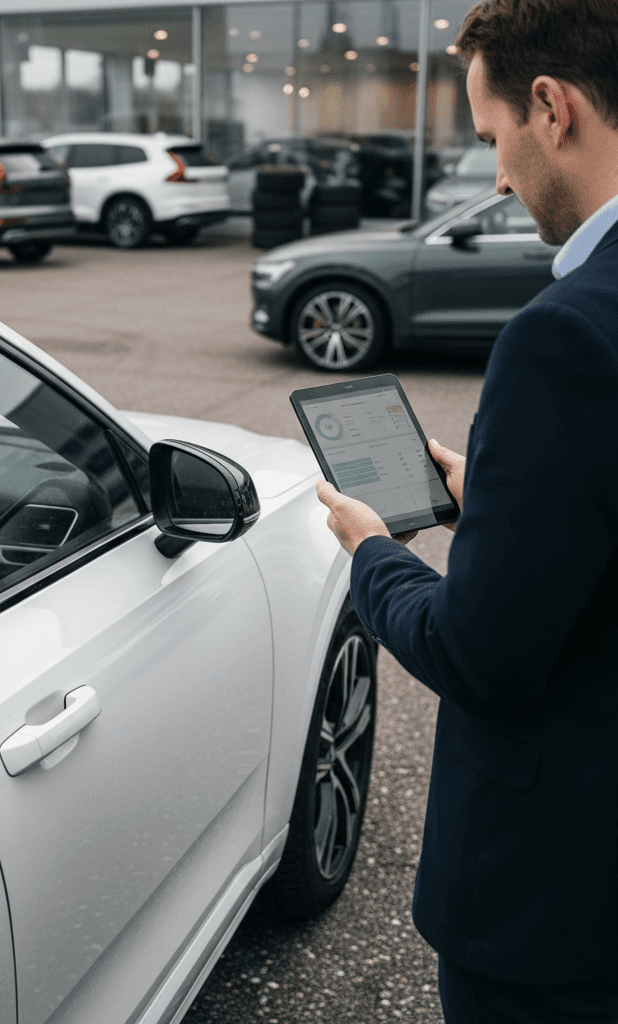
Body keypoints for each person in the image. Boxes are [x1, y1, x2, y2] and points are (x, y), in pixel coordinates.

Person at [317, 1, 618, 1020]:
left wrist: (372, 552)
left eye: (491, 139)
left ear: (551, 107)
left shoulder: (565, 336)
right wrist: (494, 499)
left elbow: (480, 656)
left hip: (560, 905)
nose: (495, 176)